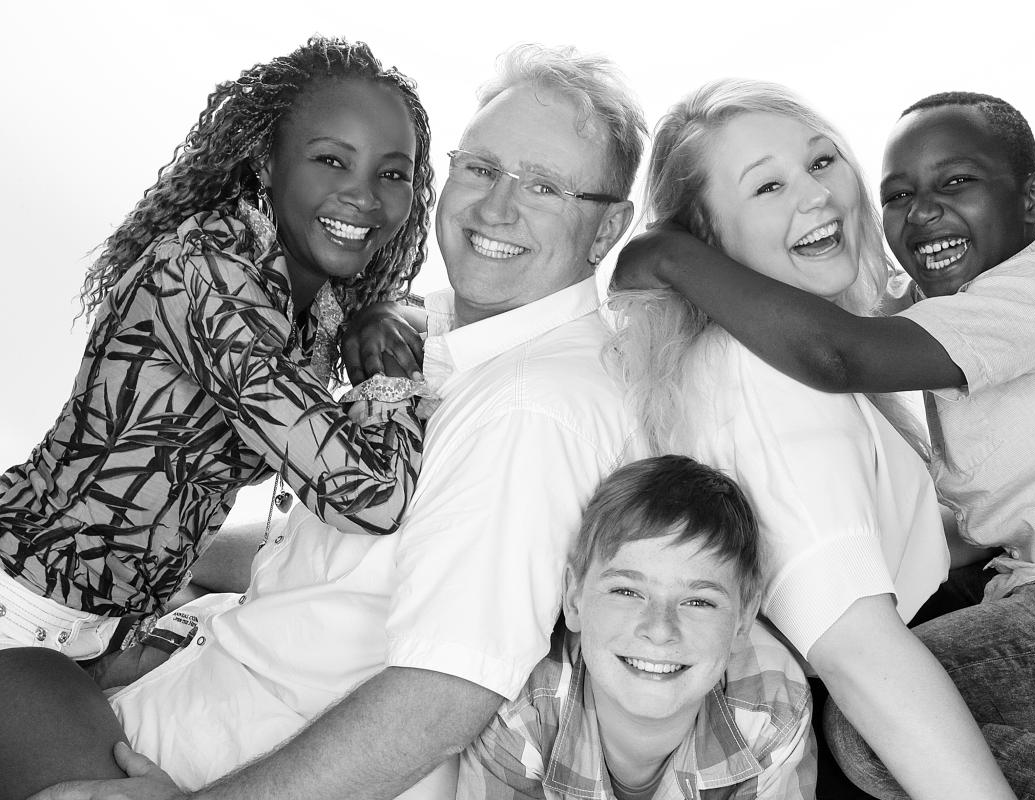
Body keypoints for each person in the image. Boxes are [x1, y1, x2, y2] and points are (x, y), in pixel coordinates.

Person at [34, 44, 644, 800]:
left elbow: (443, 695)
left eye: (544, 187)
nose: (495, 209)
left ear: (607, 228)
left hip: (191, 760)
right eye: (480, 168)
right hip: (146, 665)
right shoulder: (450, 335)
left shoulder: (530, 410)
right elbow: (345, 570)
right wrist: (166, 596)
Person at [613, 90, 1035, 798]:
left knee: (879, 734)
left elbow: (838, 353)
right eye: (898, 195)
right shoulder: (950, 310)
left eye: (957, 182)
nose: (922, 212)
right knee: (902, 717)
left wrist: (670, 257)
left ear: (1033, 199)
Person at [0, 36, 433, 799]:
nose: (363, 196)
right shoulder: (200, 273)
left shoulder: (321, 301)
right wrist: (392, 371)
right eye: (331, 160)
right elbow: (368, 494)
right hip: (20, 615)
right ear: (266, 161)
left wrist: (385, 317)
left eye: (391, 173)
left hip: (115, 634)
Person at [605, 79, 1017, 800]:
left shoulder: (762, 357)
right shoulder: (763, 376)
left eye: (822, 162)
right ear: (705, 241)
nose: (818, 196)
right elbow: (859, 655)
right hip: (892, 744)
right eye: (767, 187)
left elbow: (886, 550)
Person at [458, 454, 816, 799]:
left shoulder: (771, 713)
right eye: (626, 592)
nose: (659, 630)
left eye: (698, 602)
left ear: (743, 619)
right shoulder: (522, 714)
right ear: (574, 598)